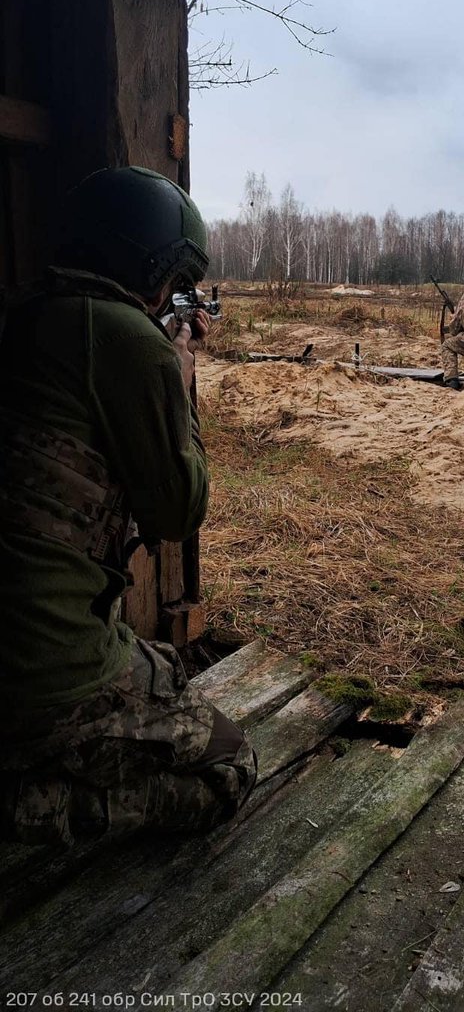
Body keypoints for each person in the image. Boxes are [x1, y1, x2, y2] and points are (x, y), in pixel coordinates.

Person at [0, 166, 256, 846]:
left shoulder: (23, 315)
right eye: (176, 284)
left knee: (168, 671)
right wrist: (180, 369)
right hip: (42, 668)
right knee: (228, 766)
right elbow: (177, 511)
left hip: (25, 637)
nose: (176, 298)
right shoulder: (127, 339)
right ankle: (26, 804)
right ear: (154, 264)